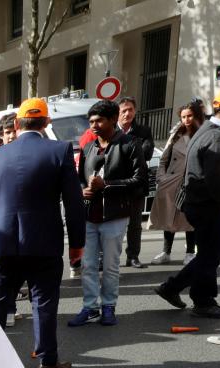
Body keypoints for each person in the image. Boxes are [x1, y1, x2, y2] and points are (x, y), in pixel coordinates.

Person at [0, 98, 86, 368]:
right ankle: (47, 360)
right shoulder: (60, 151)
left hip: (0, 242)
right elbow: (73, 203)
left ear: (18, 124)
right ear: (46, 123)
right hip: (43, 242)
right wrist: (77, 246)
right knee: (43, 302)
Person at [68, 100, 148, 328]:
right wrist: (82, 189)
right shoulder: (88, 147)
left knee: (111, 265)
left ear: (113, 120)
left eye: (99, 120)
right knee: (88, 265)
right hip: (89, 215)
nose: (94, 125)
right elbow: (81, 177)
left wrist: (108, 185)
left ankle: (109, 307)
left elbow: (140, 181)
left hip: (115, 214)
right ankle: (90, 307)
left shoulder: (130, 144)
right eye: (91, 121)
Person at [154, 87, 220, 319]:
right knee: (211, 253)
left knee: (208, 253)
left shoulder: (208, 129)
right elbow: (214, 178)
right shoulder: (217, 136)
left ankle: (173, 288)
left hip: (200, 204)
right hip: (208, 206)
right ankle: (203, 301)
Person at [151, 100, 205, 265]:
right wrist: (162, 177)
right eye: (183, 117)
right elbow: (163, 158)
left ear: (196, 116)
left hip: (193, 182)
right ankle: (166, 252)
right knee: (169, 217)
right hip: (172, 183)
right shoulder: (175, 135)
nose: (187, 120)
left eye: (190, 116)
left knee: (190, 219)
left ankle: (190, 252)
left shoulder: (204, 134)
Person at [117, 97, 155, 269]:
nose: (127, 113)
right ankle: (109, 257)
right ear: (117, 113)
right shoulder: (111, 131)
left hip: (136, 184)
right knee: (113, 223)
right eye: (124, 110)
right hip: (115, 184)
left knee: (135, 224)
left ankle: (132, 256)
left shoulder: (143, 131)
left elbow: (146, 153)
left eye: (130, 109)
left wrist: (123, 154)